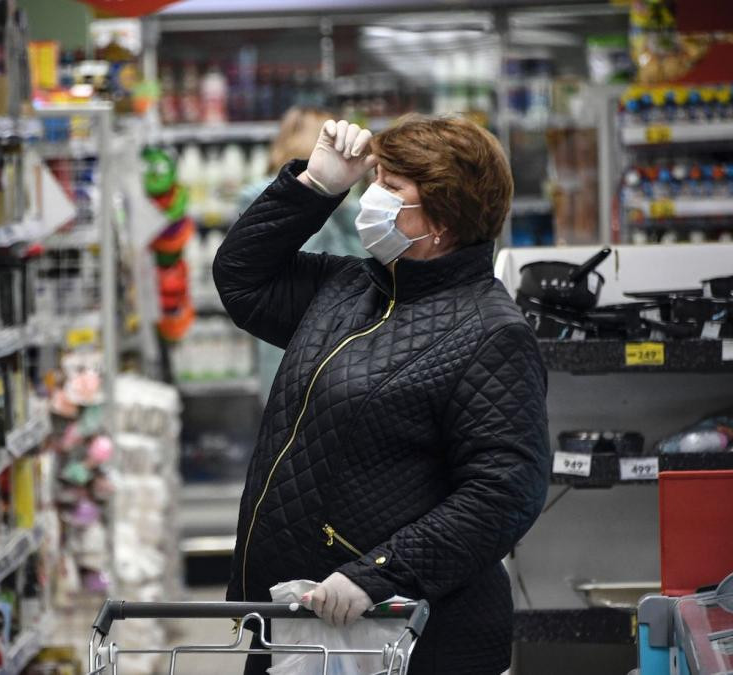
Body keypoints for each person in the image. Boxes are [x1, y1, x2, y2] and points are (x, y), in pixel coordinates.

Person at [214, 114, 550, 675]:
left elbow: (505, 490)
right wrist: (315, 187)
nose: (371, 198)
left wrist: (380, 573)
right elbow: (242, 279)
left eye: (390, 188)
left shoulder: (492, 332)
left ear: (440, 218)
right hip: (299, 619)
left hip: (404, 634)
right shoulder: (349, 289)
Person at [237, 106, 367, 404]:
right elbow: (313, 255)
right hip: (295, 341)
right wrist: (320, 194)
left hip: (340, 346)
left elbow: (363, 262)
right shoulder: (261, 199)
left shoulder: (349, 205)